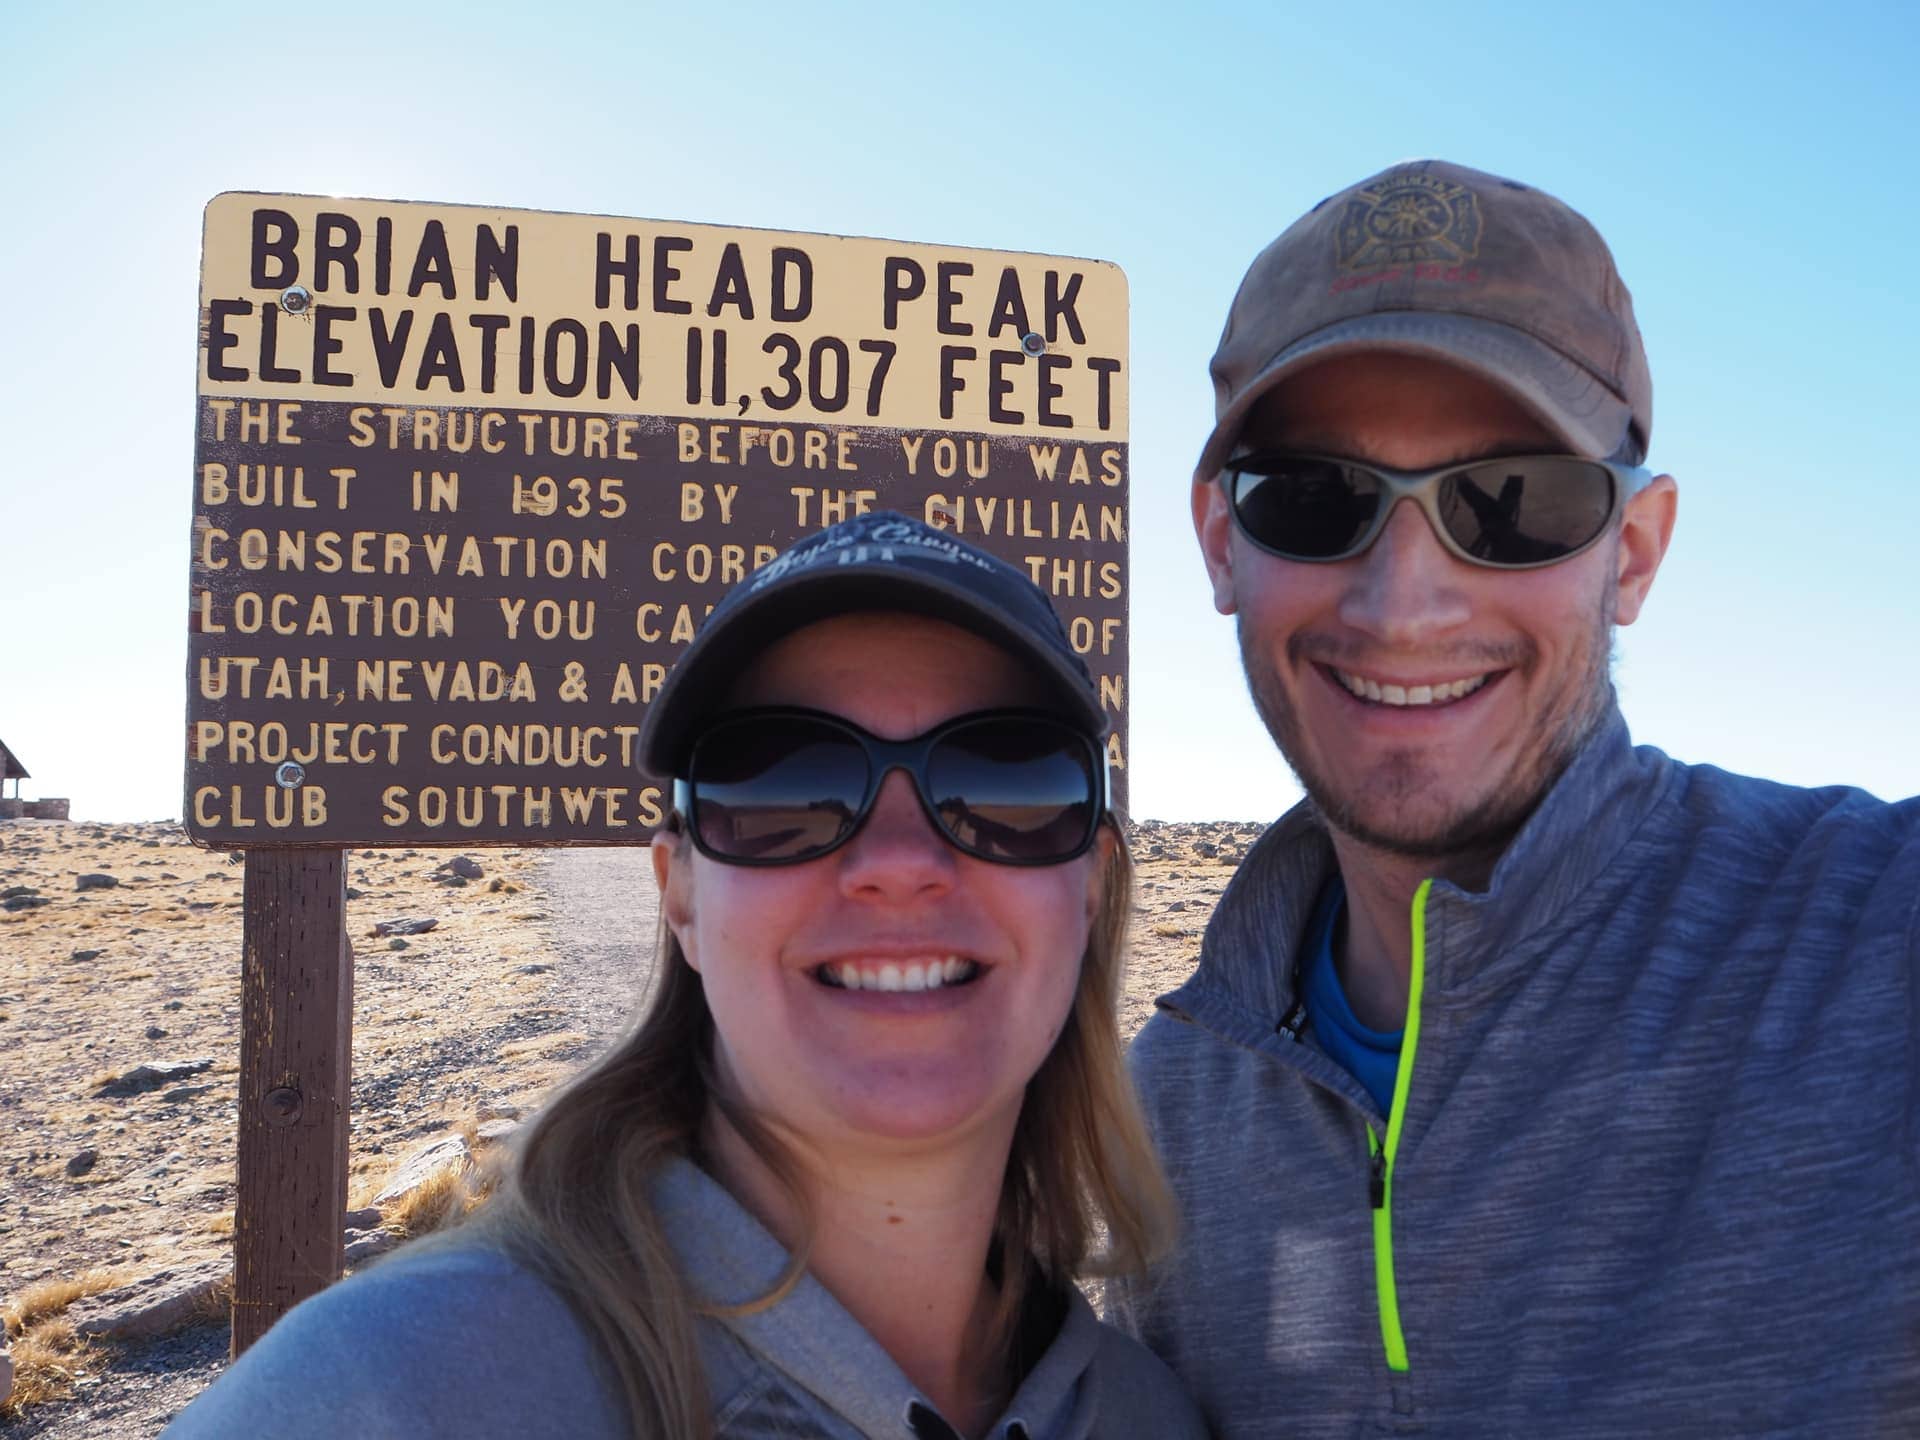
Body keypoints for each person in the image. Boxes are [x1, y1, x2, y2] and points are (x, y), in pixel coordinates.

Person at [1110, 158, 1920, 1437]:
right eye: (1315, 498)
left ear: (1635, 553)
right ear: (1221, 543)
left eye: (1516, 503)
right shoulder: (1176, 1109)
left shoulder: (1875, 947)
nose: (1403, 602)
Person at [166, 512, 1205, 1440]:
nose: (899, 861)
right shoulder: (392, 1391)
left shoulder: (1146, 1415)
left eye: (1003, 779)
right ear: (683, 897)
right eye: (783, 782)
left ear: (1089, 889)